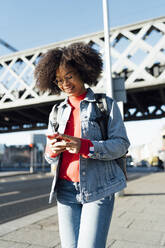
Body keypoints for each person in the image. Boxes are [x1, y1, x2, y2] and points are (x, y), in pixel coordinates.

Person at [34, 42, 130, 248]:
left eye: (69, 76)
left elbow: (121, 145)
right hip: (65, 190)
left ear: (82, 72)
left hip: (98, 189)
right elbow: (49, 157)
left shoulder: (105, 105)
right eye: (59, 80)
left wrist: (86, 147)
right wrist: (53, 149)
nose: (65, 84)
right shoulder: (56, 111)